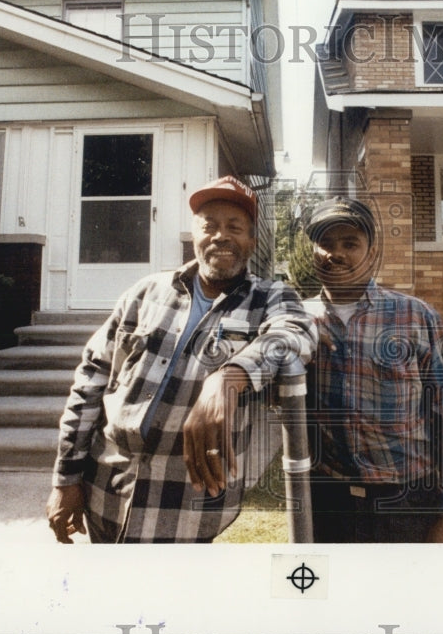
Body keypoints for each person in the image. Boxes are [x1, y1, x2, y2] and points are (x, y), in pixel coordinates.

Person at [47, 176, 316, 543]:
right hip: (105, 492)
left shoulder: (269, 297)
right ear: (195, 237)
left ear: (252, 241)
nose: (221, 236)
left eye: (234, 227)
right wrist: (66, 480)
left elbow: (295, 334)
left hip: (186, 505)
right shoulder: (146, 292)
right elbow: (89, 383)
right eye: (210, 226)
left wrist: (228, 377)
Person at [303, 196, 443, 543]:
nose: (335, 252)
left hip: (407, 503)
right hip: (328, 504)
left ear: (371, 253)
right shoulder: (296, 320)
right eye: (324, 243)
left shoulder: (415, 317)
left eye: (349, 243)